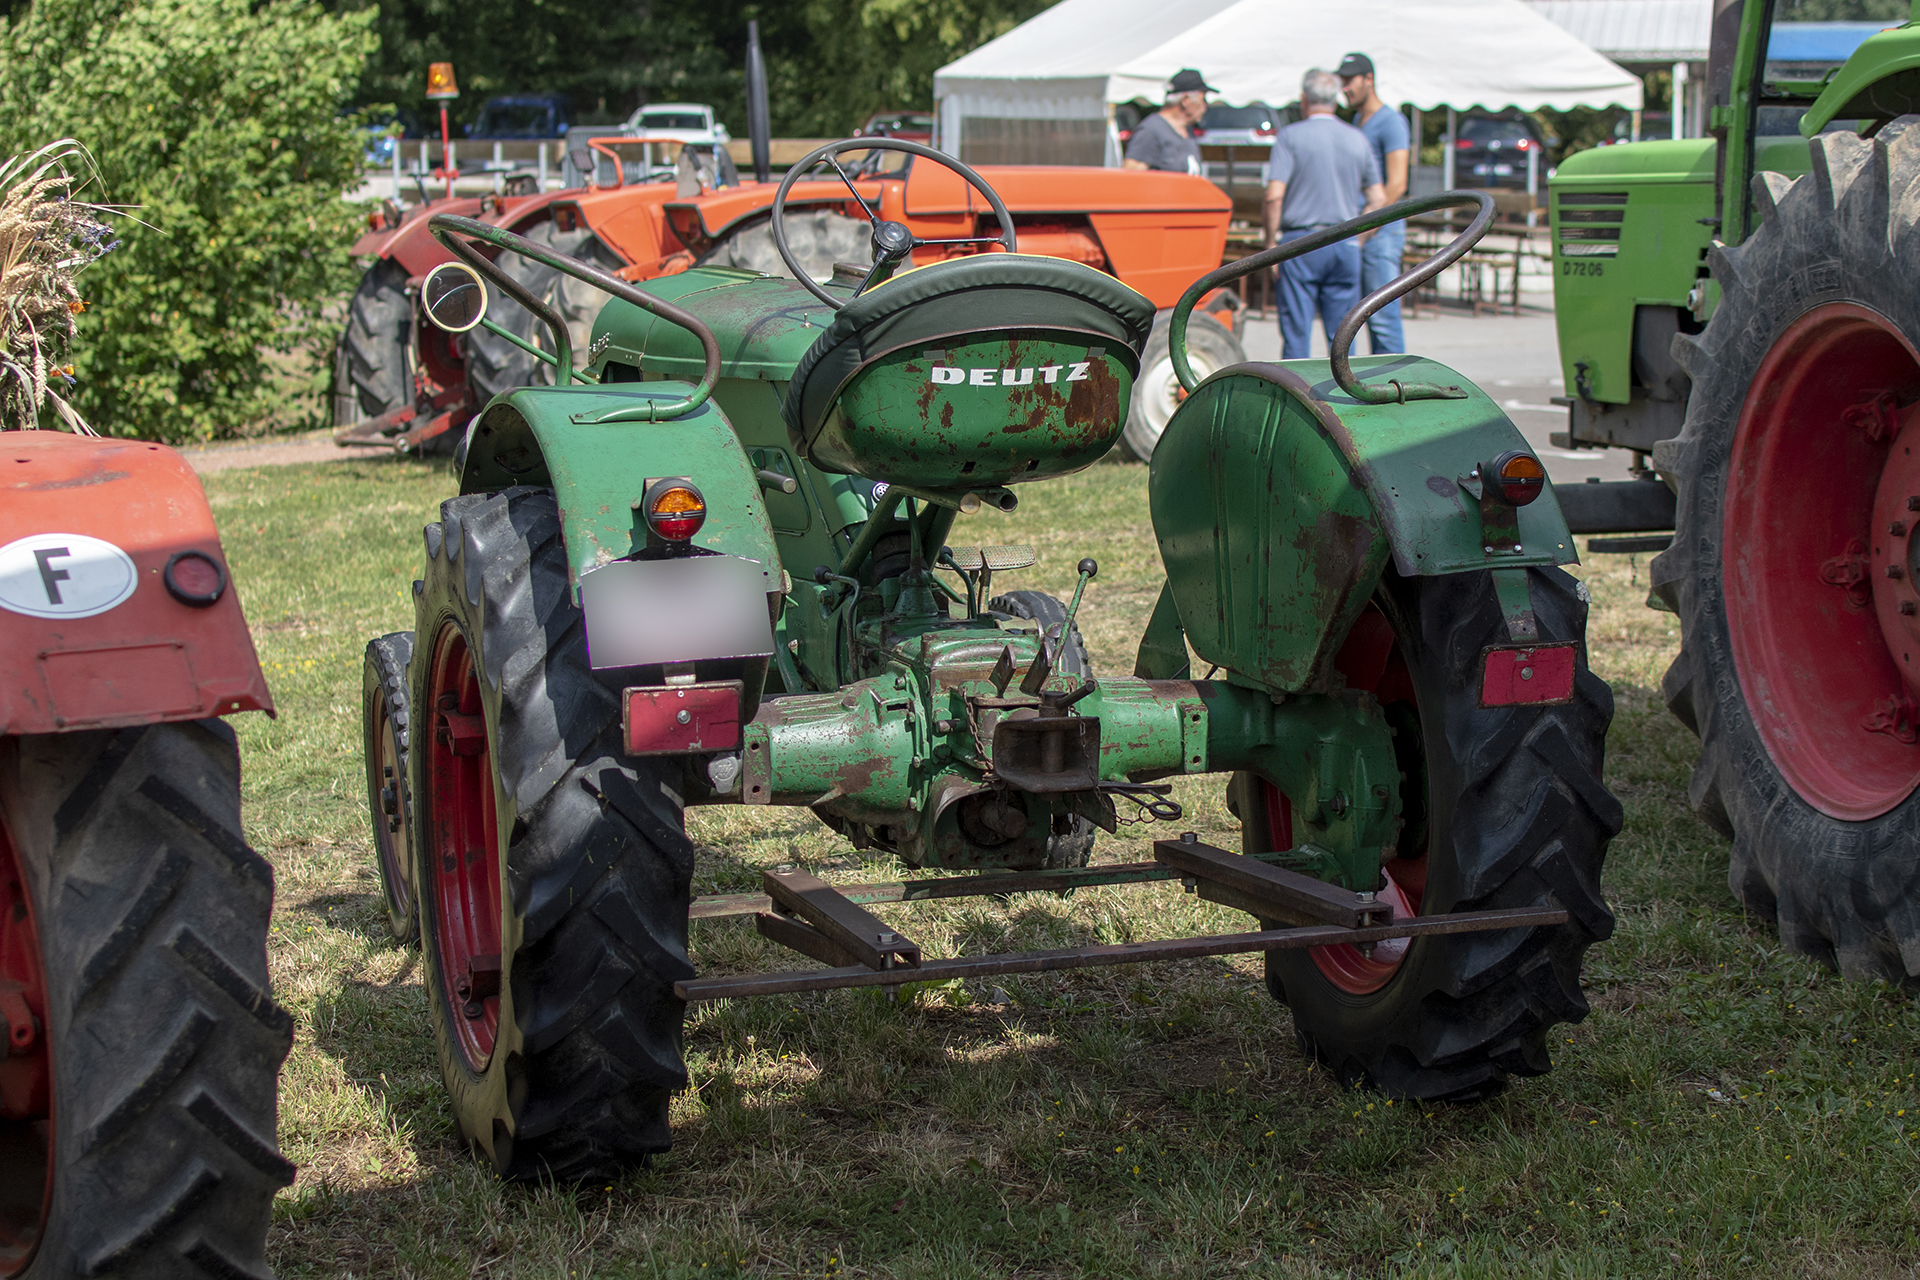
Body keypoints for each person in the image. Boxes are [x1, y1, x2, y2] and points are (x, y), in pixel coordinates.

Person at [1264, 69, 1386, 360]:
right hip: (1343, 241)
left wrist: (1270, 242)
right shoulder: (1357, 139)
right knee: (1343, 337)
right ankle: (1344, 399)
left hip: (1301, 242)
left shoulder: (1290, 137)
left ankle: (1295, 399)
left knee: (1296, 336)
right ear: (1336, 100)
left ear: (1304, 98)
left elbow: (1273, 195)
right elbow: (1379, 199)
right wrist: (1359, 239)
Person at [1339, 52, 1411, 354]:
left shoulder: (1391, 122)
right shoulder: (1359, 120)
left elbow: (1397, 184)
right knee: (1356, 317)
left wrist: (1367, 228)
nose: (1344, 88)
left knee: (1382, 318)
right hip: (1362, 229)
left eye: (1349, 80)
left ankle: (1393, 393)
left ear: (1369, 79)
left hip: (1380, 234)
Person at [1123, 69, 1213, 175]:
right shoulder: (1151, 131)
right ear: (1186, 101)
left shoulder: (1187, 132)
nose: (1206, 105)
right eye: (1203, 99)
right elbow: (1130, 179)